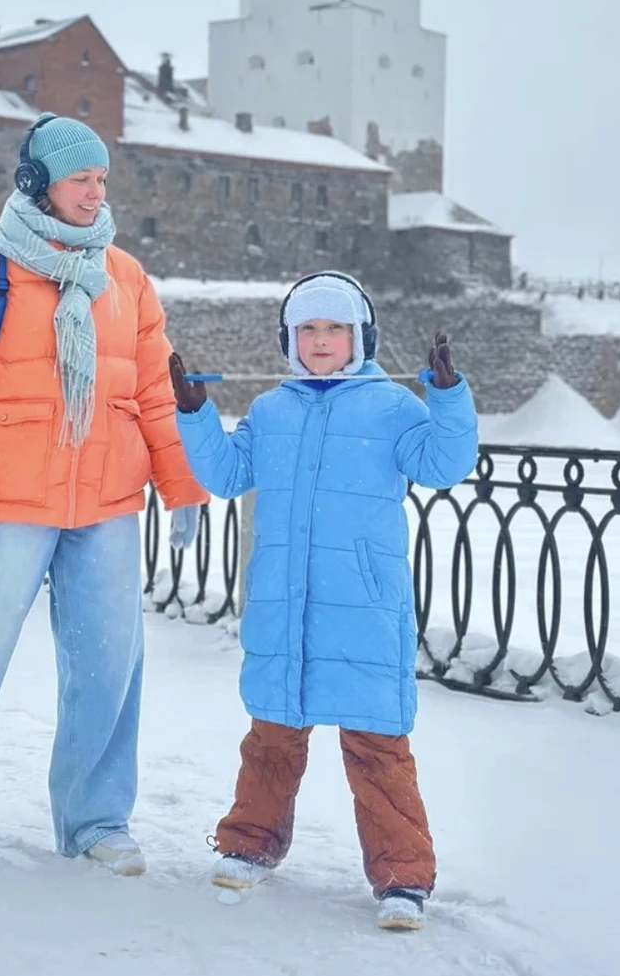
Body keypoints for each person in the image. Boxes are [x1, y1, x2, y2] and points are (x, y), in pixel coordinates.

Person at [0, 112, 207, 875]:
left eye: (101, 180)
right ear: (37, 183)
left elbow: (155, 393)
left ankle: (95, 820)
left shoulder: (126, 280)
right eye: (79, 179)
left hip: (108, 505)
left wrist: (183, 486)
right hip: (7, 503)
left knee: (108, 667)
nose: (95, 194)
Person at [169, 271, 478, 931]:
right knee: (271, 737)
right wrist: (194, 415)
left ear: (359, 336)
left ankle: (403, 874)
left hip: (362, 607)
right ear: (289, 338)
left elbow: (443, 464)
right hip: (286, 605)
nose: (320, 340)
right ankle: (248, 842)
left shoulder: (393, 407)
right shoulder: (271, 411)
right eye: (307, 329)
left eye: (334, 328)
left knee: (376, 744)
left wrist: (447, 398)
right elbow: (225, 473)